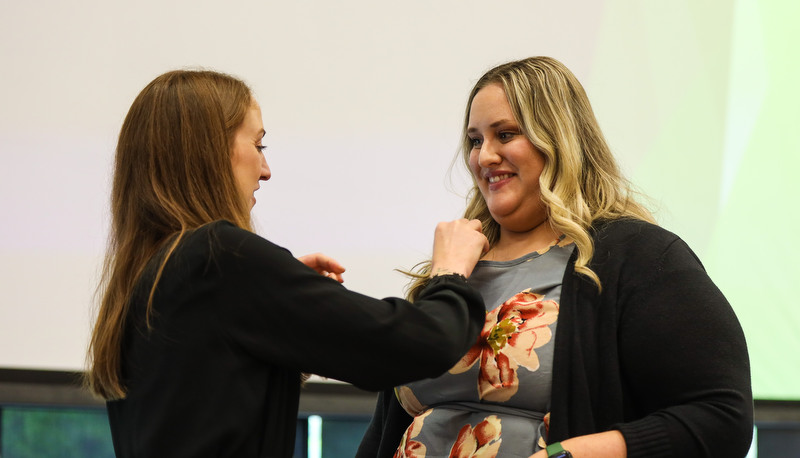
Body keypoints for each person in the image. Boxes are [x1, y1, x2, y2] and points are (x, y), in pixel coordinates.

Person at [356, 56, 753, 458]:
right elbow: (383, 428)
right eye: (475, 141)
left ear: (559, 139)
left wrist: (564, 455)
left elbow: (720, 416)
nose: (484, 157)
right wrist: (444, 279)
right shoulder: (456, 262)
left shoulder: (635, 256)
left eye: (505, 134)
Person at [85, 69, 491, 457]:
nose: (266, 170)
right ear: (208, 152)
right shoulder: (221, 259)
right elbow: (416, 345)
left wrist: (277, 306)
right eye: (258, 145)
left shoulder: (154, 273)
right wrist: (449, 272)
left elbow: (211, 393)